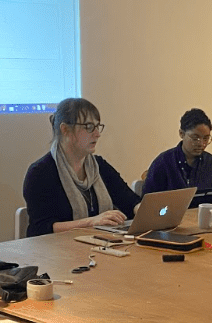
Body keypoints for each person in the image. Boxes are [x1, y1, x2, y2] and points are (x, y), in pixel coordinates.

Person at [22, 98, 139, 236]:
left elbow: (131, 203)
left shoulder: (100, 166)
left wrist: (147, 212)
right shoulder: (40, 173)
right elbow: (41, 228)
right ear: (65, 129)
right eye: (89, 127)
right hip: (56, 251)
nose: (97, 134)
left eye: (98, 126)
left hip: (98, 247)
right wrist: (91, 222)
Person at [142, 108, 212, 195]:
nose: (201, 144)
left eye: (206, 138)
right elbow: (147, 202)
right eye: (195, 138)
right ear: (181, 134)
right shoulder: (163, 163)